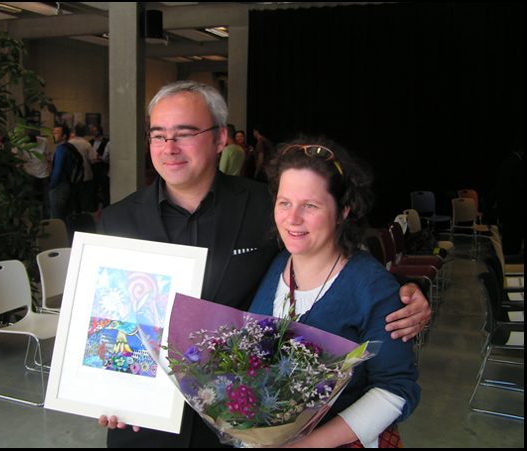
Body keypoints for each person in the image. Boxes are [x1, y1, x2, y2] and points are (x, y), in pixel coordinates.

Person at [97, 81, 430, 448]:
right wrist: (103, 386)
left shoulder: (264, 206)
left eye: (184, 134)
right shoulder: (117, 220)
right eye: (158, 135)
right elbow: (105, 319)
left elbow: (336, 260)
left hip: (235, 429)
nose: (169, 147)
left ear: (220, 138)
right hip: (143, 423)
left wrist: (407, 291)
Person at [248, 137, 420, 448]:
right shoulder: (275, 264)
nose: (292, 218)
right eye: (284, 202)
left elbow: (395, 390)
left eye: (310, 205)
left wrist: (307, 445)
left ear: (343, 211)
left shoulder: (373, 288)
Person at [13, 127, 51, 219]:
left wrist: (51, 171)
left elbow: (48, 157)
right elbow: (17, 160)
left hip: (43, 174)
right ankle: (36, 222)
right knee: (33, 202)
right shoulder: (20, 145)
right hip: (29, 175)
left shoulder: (43, 142)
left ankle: (47, 221)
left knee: (47, 201)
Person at [70, 123, 97, 213]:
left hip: (73, 175)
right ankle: (84, 213)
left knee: (75, 197)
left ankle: (76, 213)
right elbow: (93, 160)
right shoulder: (87, 144)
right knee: (85, 197)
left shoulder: (69, 143)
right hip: (86, 174)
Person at [49, 124, 73, 220]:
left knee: (56, 218)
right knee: (66, 217)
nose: (53, 134)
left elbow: (57, 169)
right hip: (69, 185)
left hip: (59, 187)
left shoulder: (61, 149)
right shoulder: (70, 147)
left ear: (64, 136)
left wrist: (51, 185)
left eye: (56, 132)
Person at [90, 125, 111, 208]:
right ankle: (94, 205)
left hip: (103, 166)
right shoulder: (91, 142)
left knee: (104, 187)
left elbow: (106, 157)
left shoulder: (106, 142)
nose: (94, 132)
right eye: (93, 131)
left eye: (96, 130)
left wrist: (101, 157)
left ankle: (105, 205)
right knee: (94, 187)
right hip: (94, 165)